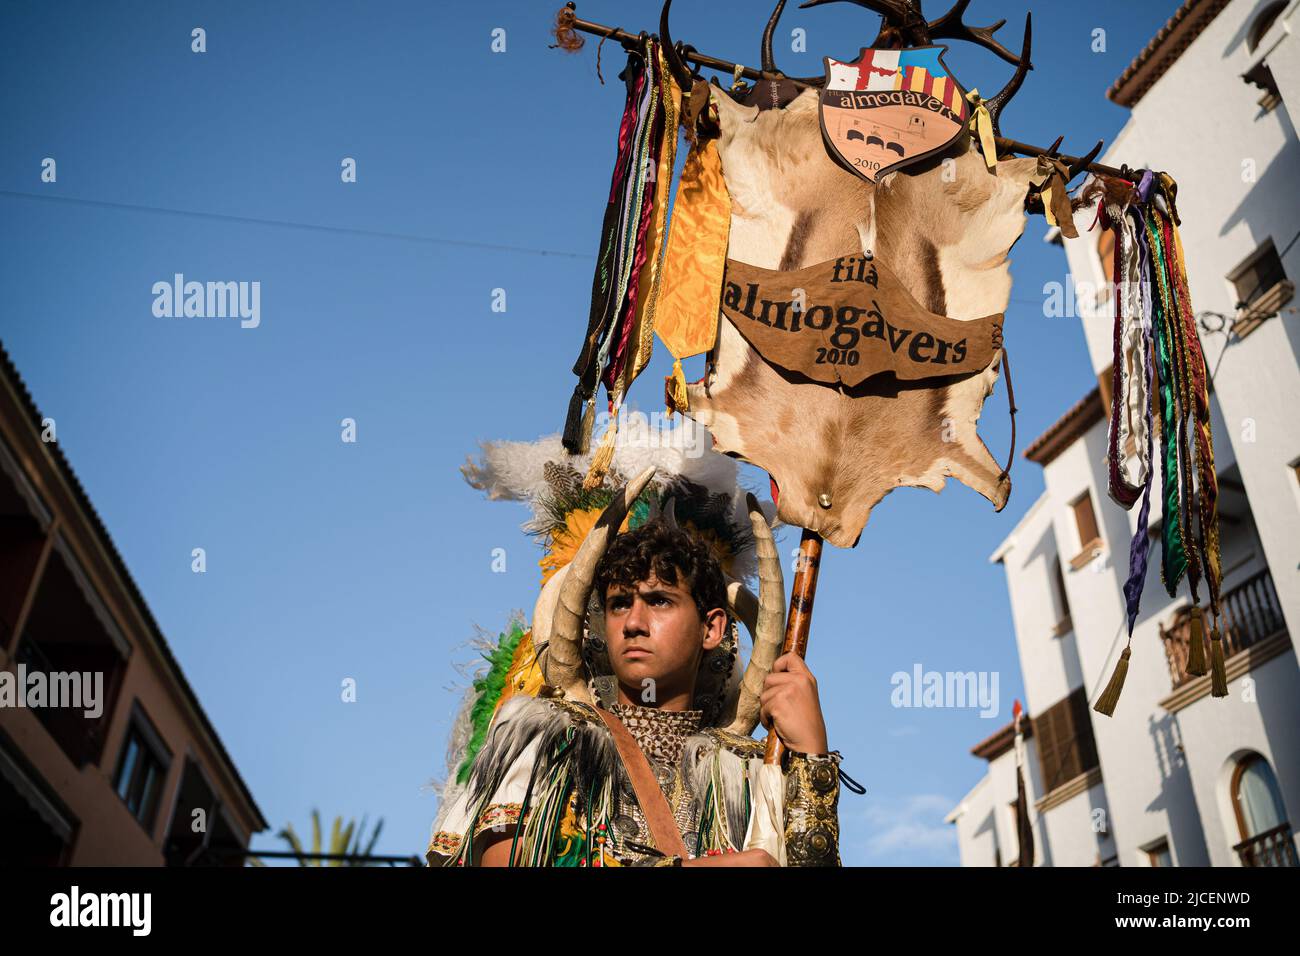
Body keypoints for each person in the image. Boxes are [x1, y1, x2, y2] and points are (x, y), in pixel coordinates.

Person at [428, 490, 843, 867]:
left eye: (659, 601)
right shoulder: (546, 735)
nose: (634, 623)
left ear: (711, 629)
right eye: (620, 604)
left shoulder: (752, 771)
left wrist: (811, 757)